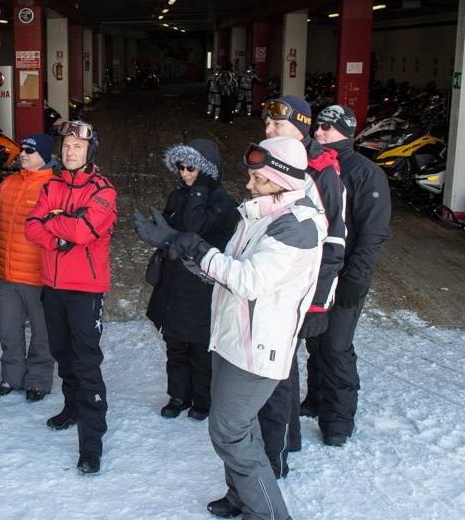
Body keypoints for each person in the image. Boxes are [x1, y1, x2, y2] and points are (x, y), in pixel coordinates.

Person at [134, 137, 326, 520]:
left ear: (281, 180)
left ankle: (269, 513)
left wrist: (191, 246)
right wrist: (180, 248)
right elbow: (226, 265)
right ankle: (239, 496)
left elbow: (249, 280)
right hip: (231, 337)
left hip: (258, 346)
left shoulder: (299, 226)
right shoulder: (261, 212)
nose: (250, 185)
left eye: (258, 179)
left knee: (229, 431)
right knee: (239, 427)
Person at [258, 94, 347, 478]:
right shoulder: (273, 160)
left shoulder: (322, 171)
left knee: (278, 373)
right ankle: (283, 438)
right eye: (266, 125)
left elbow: (334, 243)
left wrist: (318, 304)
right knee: (277, 369)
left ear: (301, 127)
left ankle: (275, 455)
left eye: (276, 125)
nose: (268, 130)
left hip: (299, 292)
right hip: (270, 281)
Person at [25, 120, 117, 475]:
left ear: (90, 151)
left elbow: (84, 230)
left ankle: (91, 440)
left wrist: (56, 221)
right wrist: (57, 232)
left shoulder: (104, 190)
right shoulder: (51, 184)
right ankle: (72, 406)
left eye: (77, 146)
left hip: (86, 290)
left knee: (86, 362)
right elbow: (31, 226)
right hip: (53, 284)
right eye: (66, 146)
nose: (70, 151)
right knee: (62, 354)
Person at [305, 104, 391, 446]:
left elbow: (372, 234)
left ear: (347, 131)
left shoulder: (365, 173)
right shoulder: (311, 166)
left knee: (336, 347)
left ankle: (338, 420)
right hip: (315, 273)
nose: (319, 132)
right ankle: (315, 400)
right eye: (317, 126)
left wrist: (355, 280)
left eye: (327, 127)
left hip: (344, 276)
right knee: (314, 340)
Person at [145, 139, 239, 421]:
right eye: (180, 166)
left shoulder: (223, 203)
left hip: (201, 288)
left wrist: (200, 191)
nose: (184, 173)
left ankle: (203, 400)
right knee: (174, 343)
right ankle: (178, 395)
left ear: (208, 171)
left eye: (191, 168)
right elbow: (170, 225)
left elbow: (196, 229)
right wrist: (156, 231)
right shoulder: (179, 194)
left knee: (200, 348)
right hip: (174, 284)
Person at [0, 134, 57, 402]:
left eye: (29, 151)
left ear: (45, 157)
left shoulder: (54, 187)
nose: (22, 154)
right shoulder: (8, 183)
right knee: (8, 330)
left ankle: (38, 379)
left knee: (42, 332)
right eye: (22, 150)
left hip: (39, 276)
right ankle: (11, 376)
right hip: (6, 275)